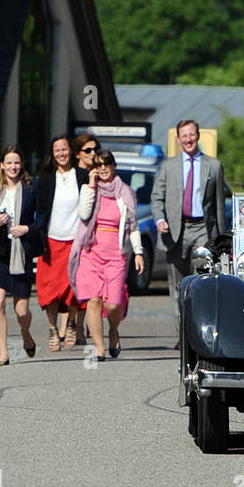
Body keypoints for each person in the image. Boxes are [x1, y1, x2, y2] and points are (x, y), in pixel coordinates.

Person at [150, 119, 230, 339]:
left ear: (198, 136)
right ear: (178, 139)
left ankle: (199, 334)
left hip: (203, 230)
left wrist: (221, 239)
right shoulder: (168, 166)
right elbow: (157, 198)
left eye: (192, 135)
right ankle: (182, 335)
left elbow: (219, 204)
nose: (188, 139)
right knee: (178, 286)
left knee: (201, 282)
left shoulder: (213, 165)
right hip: (176, 231)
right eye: (184, 136)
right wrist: (159, 220)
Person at [68, 149, 144, 360]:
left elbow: (133, 226)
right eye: (98, 165)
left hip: (115, 254)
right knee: (93, 301)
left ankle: (113, 331)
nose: (102, 168)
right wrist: (91, 186)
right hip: (90, 252)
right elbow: (83, 214)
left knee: (112, 304)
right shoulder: (89, 189)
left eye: (106, 164)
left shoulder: (125, 192)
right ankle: (99, 348)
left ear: (113, 166)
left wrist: (138, 252)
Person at [0, 146, 41, 366]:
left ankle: (26, 334)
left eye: (17, 162)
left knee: (22, 311)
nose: (13, 167)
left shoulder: (31, 189)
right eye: (9, 162)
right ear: (2, 165)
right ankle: (3, 352)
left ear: (21, 165)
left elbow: (41, 219)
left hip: (21, 251)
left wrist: (27, 229)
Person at [35, 133, 89, 351]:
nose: (61, 154)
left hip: (75, 241)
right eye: (57, 150)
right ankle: (52, 328)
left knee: (73, 286)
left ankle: (73, 324)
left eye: (64, 149)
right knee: (49, 289)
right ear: (52, 153)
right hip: (51, 240)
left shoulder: (83, 176)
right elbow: (39, 211)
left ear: (71, 151)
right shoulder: (45, 179)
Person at [67, 133, 99, 345]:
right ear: (78, 153)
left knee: (88, 284)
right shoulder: (74, 176)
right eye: (88, 150)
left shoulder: (100, 173)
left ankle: (80, 328)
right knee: (71, 284)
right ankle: (69, 325)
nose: (93, 153)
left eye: (95, 149)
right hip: (73, 234)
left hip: (94, 237)